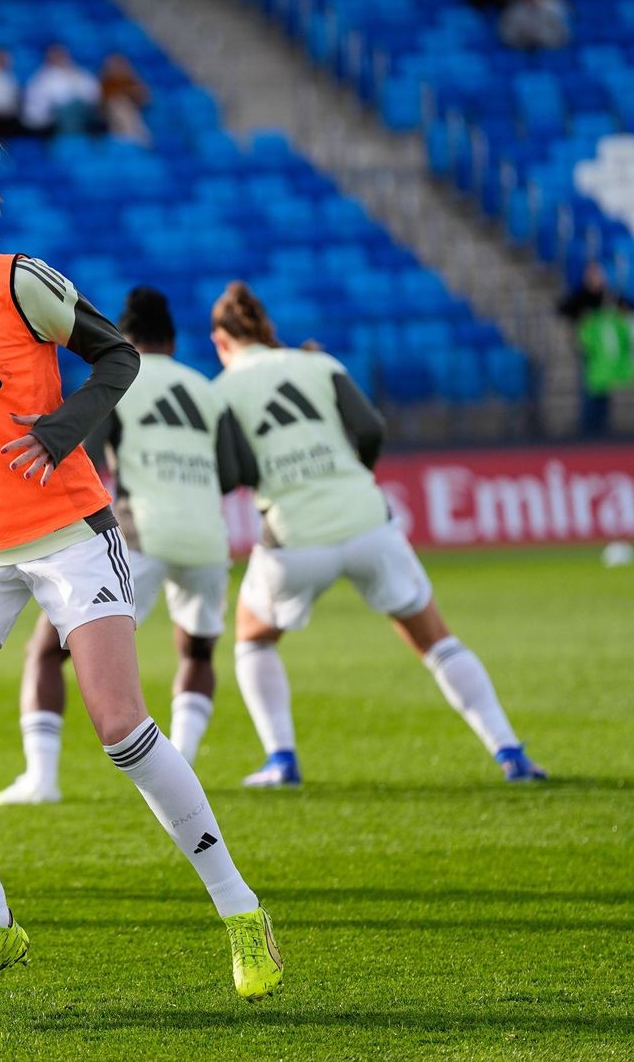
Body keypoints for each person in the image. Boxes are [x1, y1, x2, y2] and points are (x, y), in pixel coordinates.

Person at [0, 116, 281, 1004]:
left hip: (69, 529)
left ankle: (240, 910)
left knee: (117, 725)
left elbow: (115, 357)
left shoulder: (17, 280)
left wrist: (66, 426)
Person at [208, 281, 547, 787]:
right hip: (368, 521)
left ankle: (282, 760)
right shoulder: (319, 364)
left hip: (295, 536)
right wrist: (351, 474)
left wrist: (273, 482)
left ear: (221, 340)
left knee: (253, 638)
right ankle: (511, 753)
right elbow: (370, 429)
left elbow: (232, 468)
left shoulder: (221, 390)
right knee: (435, 638)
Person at [0, 287, 254, 806]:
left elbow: (75, 445)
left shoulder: (123, 377)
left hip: (141, 534)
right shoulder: (204, 387)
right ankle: (185, 766)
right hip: (207, 538)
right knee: (197, 650)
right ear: (173, 340)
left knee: (46, 651)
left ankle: (42, 779)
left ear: (125, 336)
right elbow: (236, 472)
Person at [557, 261, 633, 437]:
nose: (594, 279)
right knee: (589, 391)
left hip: (606, 354)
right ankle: (588, 430)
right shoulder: (581, 297)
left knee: (603, 389)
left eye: (597, 274)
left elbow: (628, 307)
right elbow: (563, 309)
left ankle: (602, 427)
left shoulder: (610, 297)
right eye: (591, 275)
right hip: (588, 351)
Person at [22, 44, 98, 137]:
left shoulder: (80, 73)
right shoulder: (41, 78)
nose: (59, 58)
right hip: (54, 120)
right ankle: (69, 140)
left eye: (61, 55)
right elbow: (36, 107)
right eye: (55, 55)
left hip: (83, 114)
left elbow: (93, 93)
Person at [98, 53, 152, 146]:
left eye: (121, 65)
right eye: (115, 66)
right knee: (119, 104)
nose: (118, 69)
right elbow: (102, 103)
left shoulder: (133, 82)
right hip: (111, 118)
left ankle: (141, 141)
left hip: (136, 113)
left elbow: (146, 99)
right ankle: (131, 140)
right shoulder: (105, 85)